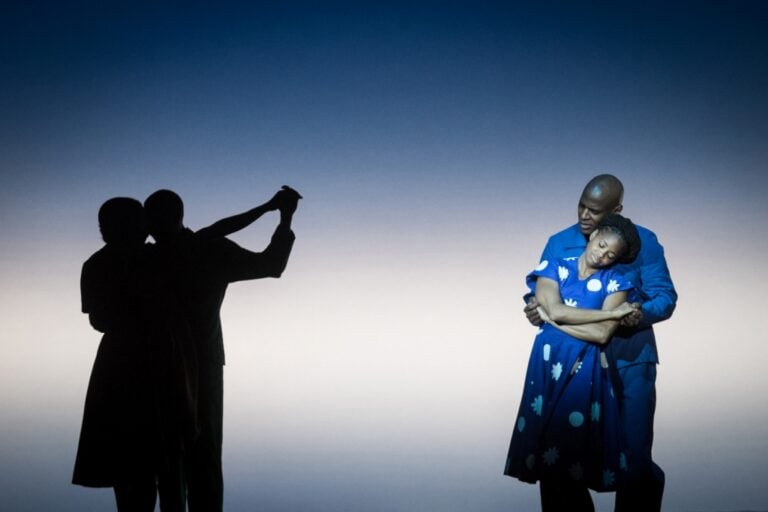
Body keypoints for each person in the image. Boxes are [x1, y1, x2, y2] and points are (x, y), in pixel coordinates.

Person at [523, 175, 677, 511]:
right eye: (581, 205)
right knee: (559, 456)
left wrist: (639, 313)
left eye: (595, 210)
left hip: (628, 360)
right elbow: (542, 294)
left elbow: (665, 297)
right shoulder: (559, 242)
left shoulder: (645, 242)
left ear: (617, 209)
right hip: (570, 364)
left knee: (633, 457)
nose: (584, 216)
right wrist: (534, 309)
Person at [143, 186, 300, 512]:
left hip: (173, 364)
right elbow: (271, 264)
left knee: (176, 454)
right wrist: (282, 217)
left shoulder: (152, 258)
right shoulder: (199, 250)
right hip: (188, 363)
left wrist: (277, 214)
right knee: (197, 454)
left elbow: (269, 264)